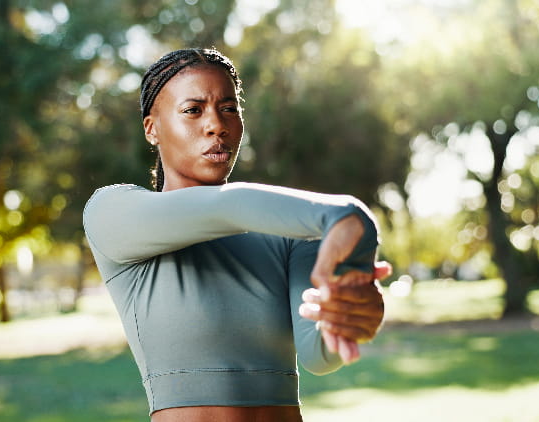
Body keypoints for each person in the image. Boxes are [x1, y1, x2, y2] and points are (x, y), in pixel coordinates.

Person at [83, 48, 390, 422]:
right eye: (193, 110)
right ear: (152, 128)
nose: (217, 125)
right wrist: (347, 215)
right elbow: (228, 206)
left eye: (228, 108)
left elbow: (318, 355)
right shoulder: (113, 213)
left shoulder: (288, 235)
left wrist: (349, 316)